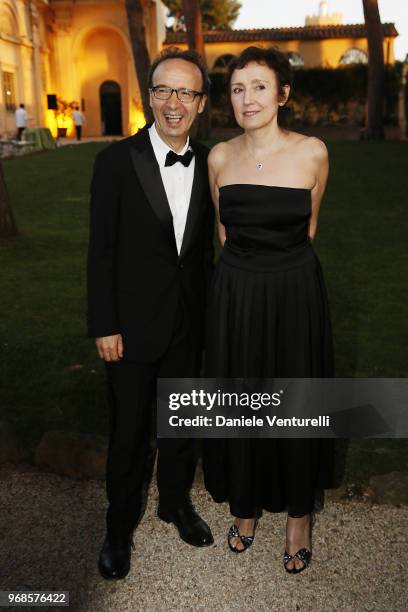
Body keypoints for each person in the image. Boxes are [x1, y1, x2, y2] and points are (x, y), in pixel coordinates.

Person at [203, 46, 334, 574]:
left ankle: (298, 516)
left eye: (259, 86)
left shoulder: (313, 152)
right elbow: (224, 231)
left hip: (294, 291)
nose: (247, 98)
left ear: (283, 94)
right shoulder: (218, 157)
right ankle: (245, 504)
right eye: (238, 89)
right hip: (236, 291)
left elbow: (309, 226)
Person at [87, 46, 215, 581]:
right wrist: (104, 324)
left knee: (182, 426)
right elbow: (102, 250)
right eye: (163, 90)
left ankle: (175, 503)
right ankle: (119, 527)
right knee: (130, 434)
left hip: (191, 323)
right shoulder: (116, 161)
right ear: (149, 97)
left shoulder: (213, 163)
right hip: (131, 328)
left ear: (202, 103)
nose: (173, 102)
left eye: (186, 91)